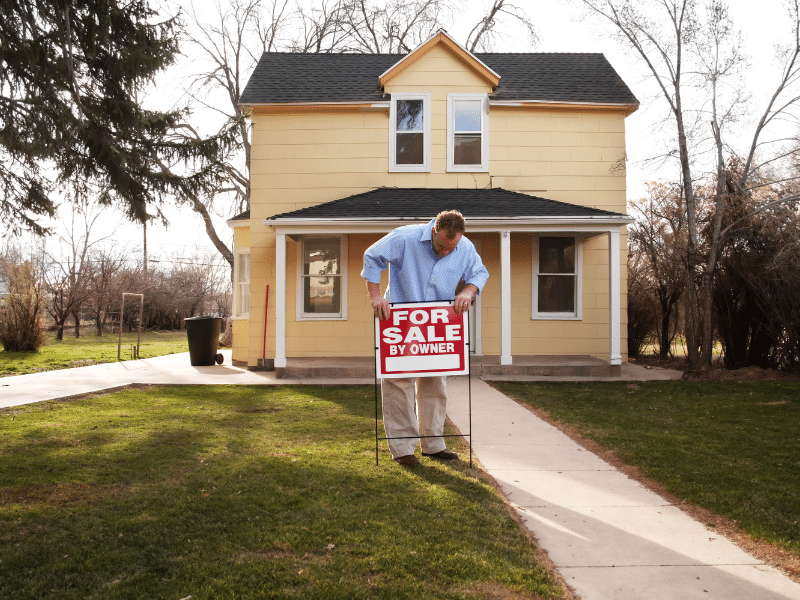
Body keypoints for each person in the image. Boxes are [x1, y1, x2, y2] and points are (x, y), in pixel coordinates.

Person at [361, 210, 489, 468]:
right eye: (442, 245)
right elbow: (372, 256)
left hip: (437, 323)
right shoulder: (404, 238)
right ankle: (403, 449)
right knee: (399, 383)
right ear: (434, 231)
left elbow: (479, 273)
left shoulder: (464, 247)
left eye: (451, 248)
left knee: (435, 383)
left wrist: (468, 290)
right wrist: (375, 296)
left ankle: (433, 445)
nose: (446, 252)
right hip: (400, 320)